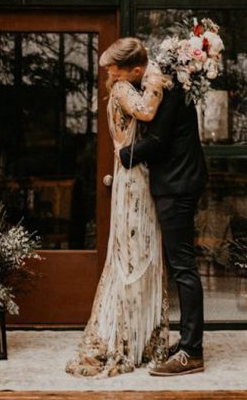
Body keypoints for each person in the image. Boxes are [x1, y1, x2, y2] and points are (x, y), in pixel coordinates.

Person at [66, 37, 171, 377]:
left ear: (132, 67)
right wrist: (156, 80)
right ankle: (124, 339)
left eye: (114, 66)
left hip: (136, 175)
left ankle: (140, 337)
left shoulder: (123, 86)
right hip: (132, 180)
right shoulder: (125, 89)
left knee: (141, 253)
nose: (109, 72)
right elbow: (147, 111)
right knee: (133, 256)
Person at [119, 65, 208, 376]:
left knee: (183, 266)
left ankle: (191, 352)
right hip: (181, 184)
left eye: (149, 77)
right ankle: (188, 341)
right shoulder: (176, 94)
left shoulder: (170, 97)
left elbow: (157, 142)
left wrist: (124, 153)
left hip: (177, 187)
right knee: (181, 265)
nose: (146, 84)